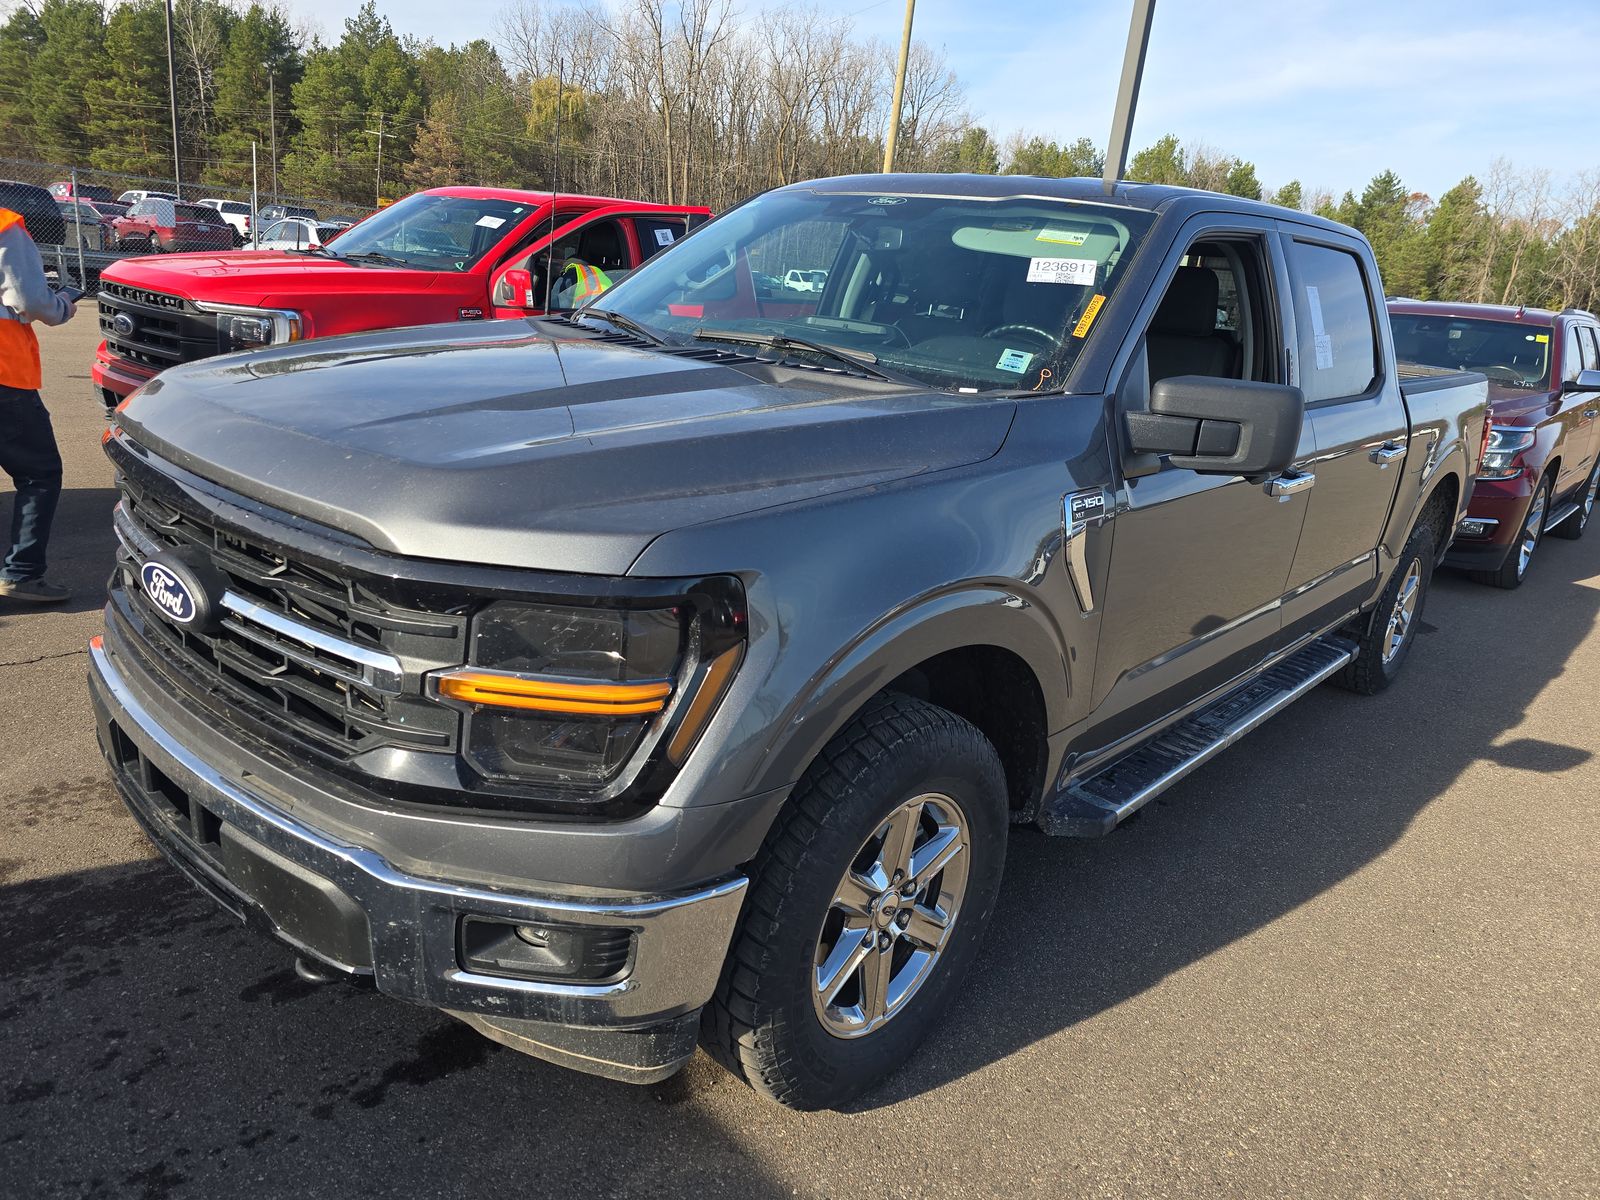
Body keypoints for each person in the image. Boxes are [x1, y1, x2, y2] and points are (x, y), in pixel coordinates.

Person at [0, 204, 76, 603]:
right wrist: (62, 304)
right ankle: (22, 574)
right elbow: (31, 301)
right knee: (39, 474)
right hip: (4, 375)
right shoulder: (5, 226)